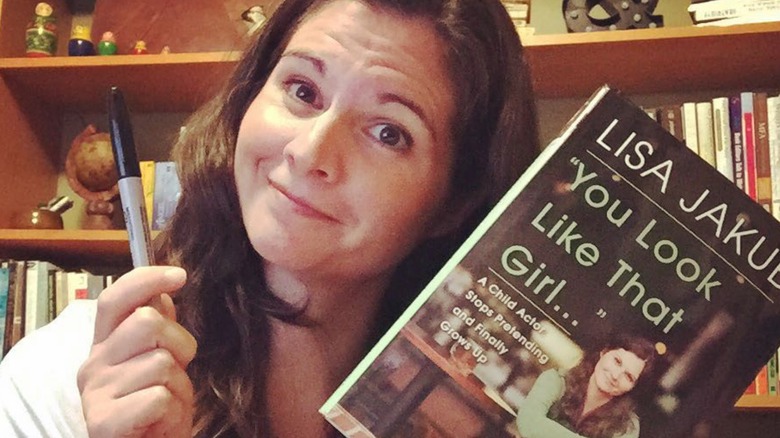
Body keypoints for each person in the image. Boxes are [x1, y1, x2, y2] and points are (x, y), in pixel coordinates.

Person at [0, 0, 539, 436]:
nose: (310, 152)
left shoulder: (471, 411)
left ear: (454, 204)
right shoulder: (69, 373)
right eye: (302, 90)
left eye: (388, 132)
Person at [516, 336, 658, 438]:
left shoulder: (627, 427)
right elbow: (528, 422)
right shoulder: (557, 380)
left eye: (628, 377)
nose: (615, 376)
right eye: (617, 361)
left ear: (632, 387)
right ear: (604, 352)